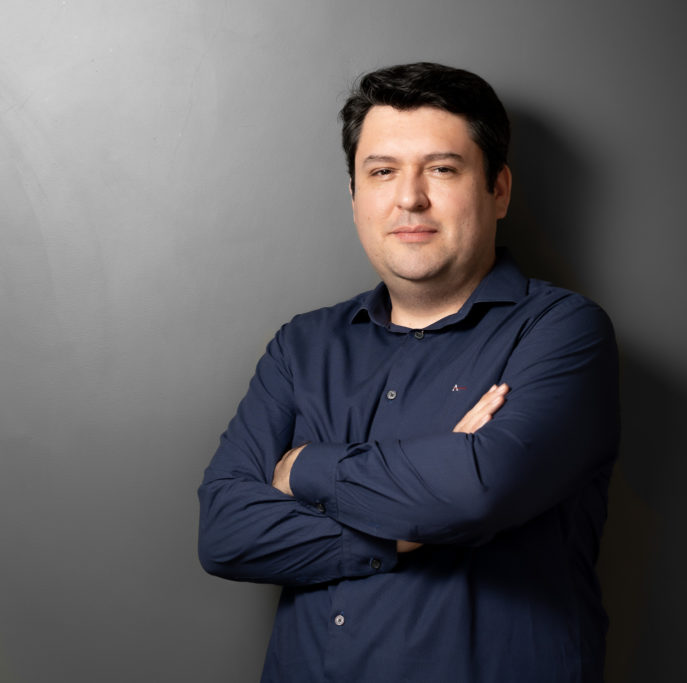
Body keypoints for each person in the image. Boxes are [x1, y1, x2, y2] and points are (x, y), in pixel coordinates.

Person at [198, 62, 619, 682]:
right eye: (382, 172)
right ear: (355, 197)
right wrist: (409, 523)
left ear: (499, 190)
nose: (409, 198)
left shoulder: (562, 332)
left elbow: (478, 492)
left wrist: (305, 467)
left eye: (442, 169)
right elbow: (225, 532)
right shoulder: (302, 346)